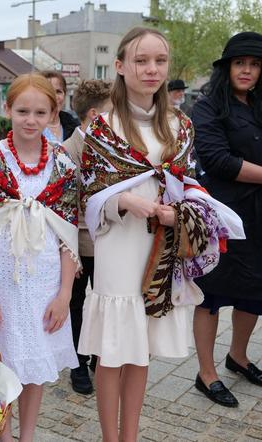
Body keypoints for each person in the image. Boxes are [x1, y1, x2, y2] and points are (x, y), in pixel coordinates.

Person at [79, 27, 241, 441]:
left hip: (160, 246)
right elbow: (88, 193)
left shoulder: (179, 124)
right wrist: (126, 202)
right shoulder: (104, 127)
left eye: (159, 61)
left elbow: (188, 183)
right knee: (113, 351)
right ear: (120, 66)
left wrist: (180, 211)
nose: (152, 70)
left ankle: (130, 435)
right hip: (119, 244)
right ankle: (109, 437)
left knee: (141, 347)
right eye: (141, 60)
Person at [0, 73, 79, 442]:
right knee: (1, 361)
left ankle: (27, 435)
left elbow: (68, 231)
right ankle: (1, 433)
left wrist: (65, 293)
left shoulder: (63, 164)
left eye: (39, 112)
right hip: (0, 278)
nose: (30, 120)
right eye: (22, 111)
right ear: (8, 110)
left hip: (44, 277)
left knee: (35, 361)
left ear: (54, 114)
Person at [192, 32, 262, 408]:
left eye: (254, 64)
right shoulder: (207, 107)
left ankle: (238, 356)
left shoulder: (258, 103)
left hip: (259, 217)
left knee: (254, 292)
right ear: (227, 67)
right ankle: (207, 373)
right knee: (212, 295)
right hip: (223, 218)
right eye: (240, 63)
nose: (247, 70)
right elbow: (220, 160)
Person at [61, 79, 112, 395]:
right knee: (76, 304)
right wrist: (70, 251)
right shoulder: (68, 151)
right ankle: (77, 363)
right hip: (79, 240)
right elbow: (63, 206)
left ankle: (97, 355)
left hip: (108, 240)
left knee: (106, 302)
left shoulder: (111, 147)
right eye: (110, 113)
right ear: (94, 115)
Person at [40, 71, 79, 142]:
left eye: (58, 92)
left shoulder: (75, 128)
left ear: (64, 94)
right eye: (49, 92)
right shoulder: (29, 127)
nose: (54, 97)